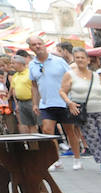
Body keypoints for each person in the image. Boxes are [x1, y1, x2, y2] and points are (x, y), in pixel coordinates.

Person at [60, 49, 101, 174]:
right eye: (77, 57)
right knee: (93, 137)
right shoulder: (70, 75)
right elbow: (62, 91)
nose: (80, 60)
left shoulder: (96, 75)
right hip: (85, 113)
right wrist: (69, 103)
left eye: (82, 57)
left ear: (88, 60)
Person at [28, 36, 78, 170]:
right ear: (30, 48)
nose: (37, 46)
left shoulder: (58, 60)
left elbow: (72, 77)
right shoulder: (32, 64)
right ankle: (56, 160)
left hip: (64, 102)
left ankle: (77, 158)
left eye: (39, 43)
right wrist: (35, 103)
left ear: (44, 45)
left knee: (70, 131)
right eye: (34, 45)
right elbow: (34, 85)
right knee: (47, 131)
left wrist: (72, 98)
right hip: (46, 104)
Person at [12, 50, 37, 132]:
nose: (12, 65)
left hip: (31, 102)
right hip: (21, 103)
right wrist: (17, 104)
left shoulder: (30, 73)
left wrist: (35, 104)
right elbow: (14, 90)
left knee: (37, 124)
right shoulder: (15, 75)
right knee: (28, 125)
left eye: (13, 63)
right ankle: (32, 144)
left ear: (20, 64)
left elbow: (34, 88)